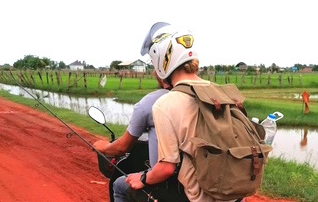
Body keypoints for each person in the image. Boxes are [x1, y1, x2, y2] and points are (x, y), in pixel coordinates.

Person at [125, 24, 239, 202]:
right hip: (233, 192)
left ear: (163, 62)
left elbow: (165, 168)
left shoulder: (164, 104)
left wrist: (141, 178)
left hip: (199, 196)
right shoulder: (222, 93)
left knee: (120, 187)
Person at [93, 22, 172, 202]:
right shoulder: (208, 95)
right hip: (207, 183)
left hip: (171, 186)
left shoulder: (151, 103)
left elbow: (122, 147)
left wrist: (104, 147)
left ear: (161, 66)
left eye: (154, 64)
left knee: (119, 186)